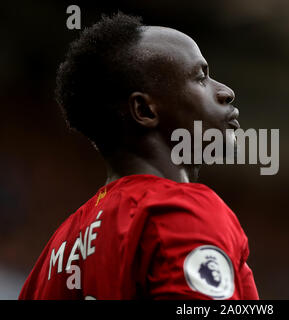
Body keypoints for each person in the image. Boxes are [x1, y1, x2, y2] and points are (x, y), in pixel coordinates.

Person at [19, 12, 258, 300]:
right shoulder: (178, 212)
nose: (226, 92)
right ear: (144, 111)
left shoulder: (54, 255)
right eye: (201, 78)